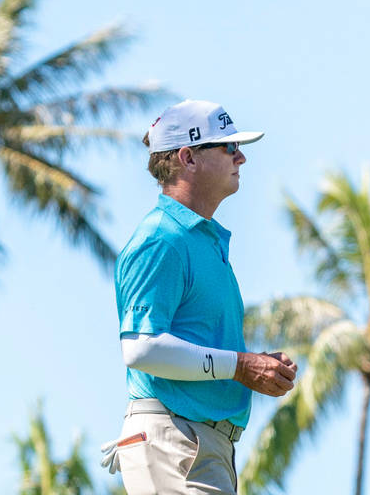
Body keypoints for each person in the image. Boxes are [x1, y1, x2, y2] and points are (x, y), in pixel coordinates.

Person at [101, 100, 299, 495]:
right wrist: (241, 365)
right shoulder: (161, 239)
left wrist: (251, 364)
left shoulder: (199, 241)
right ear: (188, 158)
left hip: (197, 446)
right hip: (174, 440)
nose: (241, 157)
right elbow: (141, 349)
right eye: (228, 147)